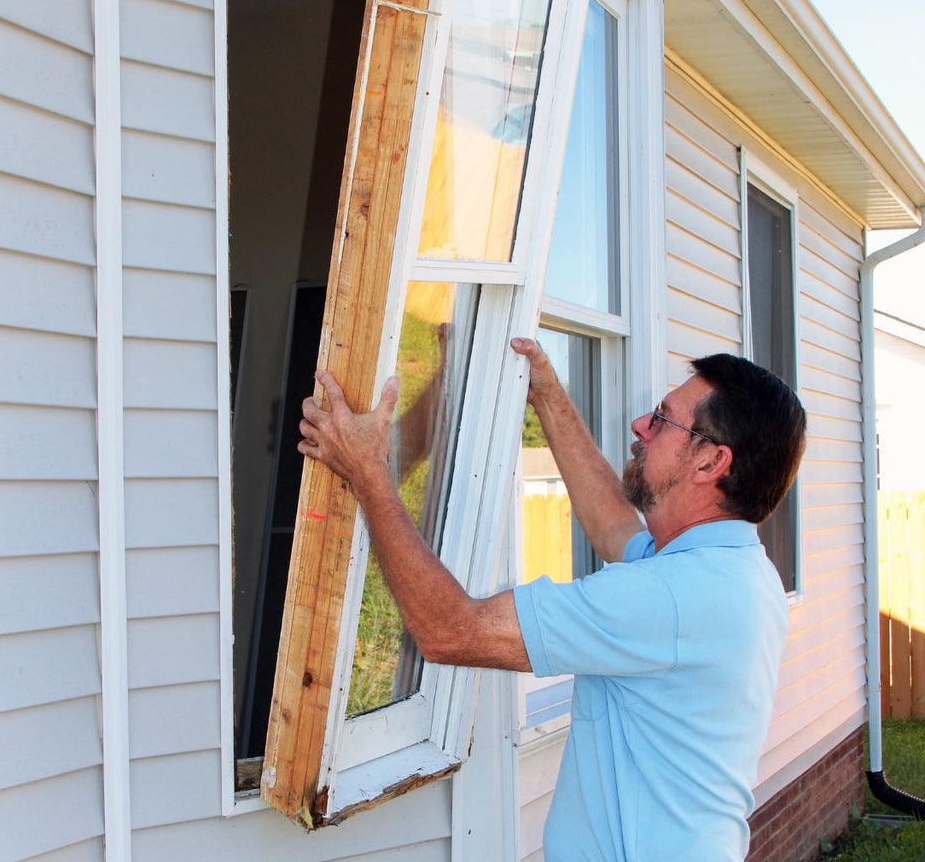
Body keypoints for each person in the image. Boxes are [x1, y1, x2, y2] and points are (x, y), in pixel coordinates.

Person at [298, 337, 806, 861]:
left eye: (663, 419)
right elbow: (615, 529)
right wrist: (548, 397)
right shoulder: (735, 571)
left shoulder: (670, 596)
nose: (640, 426)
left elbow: (449, 631)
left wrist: (368, 472)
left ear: (709, 463)